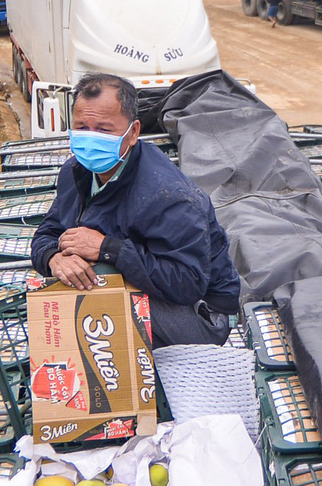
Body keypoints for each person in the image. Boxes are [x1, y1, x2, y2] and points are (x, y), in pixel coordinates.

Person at [31, 72, 242, 346]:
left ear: (133, 133)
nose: (91, 138)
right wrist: (52, 258)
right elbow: (47, 233)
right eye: (82, 127)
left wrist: (110, 249)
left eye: (104, 130)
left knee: (88, 300)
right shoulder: (75, 172)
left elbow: (188, 283)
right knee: (66, 292)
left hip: (199, 314)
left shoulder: (168, 196)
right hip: (141, 288)